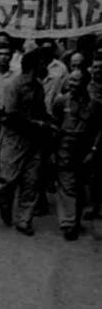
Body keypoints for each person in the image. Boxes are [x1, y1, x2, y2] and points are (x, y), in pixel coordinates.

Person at [0, 49, 53, 235]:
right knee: (8, 181)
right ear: (32, 65)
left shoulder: (38, 87)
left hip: (34, 142)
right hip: (14, 140)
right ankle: (4, 207)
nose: (45, 67)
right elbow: (11, 114)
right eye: (42, 63)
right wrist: (37, 124)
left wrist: (50, 122)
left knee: (31, 181)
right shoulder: (14, 86)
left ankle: (24, 220)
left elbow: (41, 110)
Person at [50, 69, 102, 241]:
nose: (72, 84)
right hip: (65, 147)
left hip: (84, 148)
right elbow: (55, 126)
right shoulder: (61, 101)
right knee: (66, 186)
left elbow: (99, 130)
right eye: (70, 80)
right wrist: (53, 150)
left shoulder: (94, 105)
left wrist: (93, 151)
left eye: (76, 81)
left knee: (80, 188)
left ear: (86, 83)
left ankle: (75, 220)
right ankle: (68, 223)